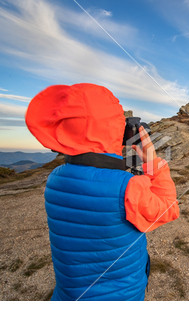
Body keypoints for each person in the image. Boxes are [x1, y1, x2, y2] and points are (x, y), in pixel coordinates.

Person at [25, 83, 179, 300]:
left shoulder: (56, 179)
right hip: (120, 296)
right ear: (109, 128)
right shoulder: (127, 187)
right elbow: (168, 208)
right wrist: (153, 163)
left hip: (68, 294)